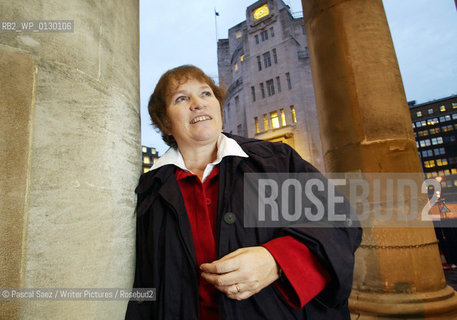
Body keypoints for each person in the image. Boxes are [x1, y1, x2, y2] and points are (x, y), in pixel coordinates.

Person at [125, 65, 361, 319]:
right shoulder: (148, 191)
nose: (198, 104)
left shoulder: (273, 161)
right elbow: (142, 286)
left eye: (206, 94)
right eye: (182, 98)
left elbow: (340, 222)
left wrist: (277, 261)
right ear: (165, 124)